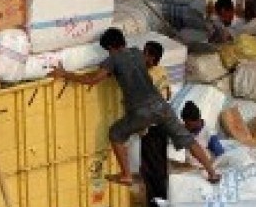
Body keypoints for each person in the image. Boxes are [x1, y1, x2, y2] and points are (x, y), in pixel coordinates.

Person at [51, 28, 221, 185]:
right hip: (161, 105)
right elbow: (147, 64)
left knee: (115, 133)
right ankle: (212, 173)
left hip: (141, 110)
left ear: (110, 46)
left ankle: (126, 174)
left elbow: (92, 80)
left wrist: (64, 74)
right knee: (187, 139)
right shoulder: (137, 53)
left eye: (108, 49)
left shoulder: (113, 60)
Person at [140, 41, 170, 207]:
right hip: (162, 121)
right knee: (159, 164)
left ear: (151, 57)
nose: (143, 57)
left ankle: (156, 205)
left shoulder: (148, 75)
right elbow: (169, 93)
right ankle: (160, 202)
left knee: (151, 166)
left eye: (145, 53)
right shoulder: (162, 71)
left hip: (153, 124)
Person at [180, 101, 225, 168]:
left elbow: (221, 157)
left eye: (188, 124)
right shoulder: (186, 129)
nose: (186, 126)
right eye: (185, 123)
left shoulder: (210, 135)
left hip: (203, 171)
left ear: (197, 120)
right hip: (189, 168)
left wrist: (211, 168)